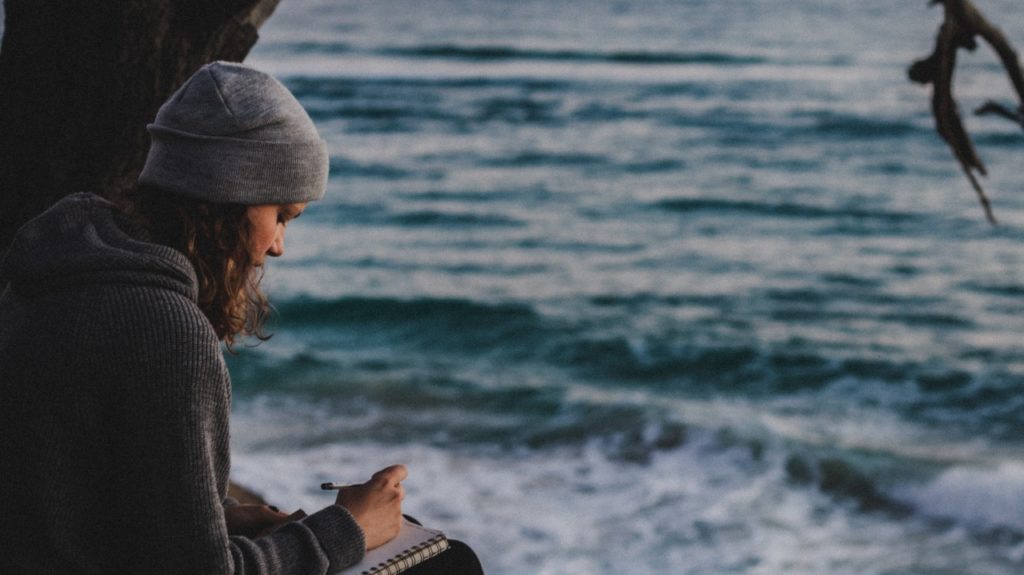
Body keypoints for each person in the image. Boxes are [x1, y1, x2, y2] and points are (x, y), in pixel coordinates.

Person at [0, 61, 482, 574]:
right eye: (281, 216)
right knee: (447, 563)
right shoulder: (164, 327)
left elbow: (79, 499)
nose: (277, 246)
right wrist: (348, 530)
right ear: (228, 201)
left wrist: (221, 517)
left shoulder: (52, 278)